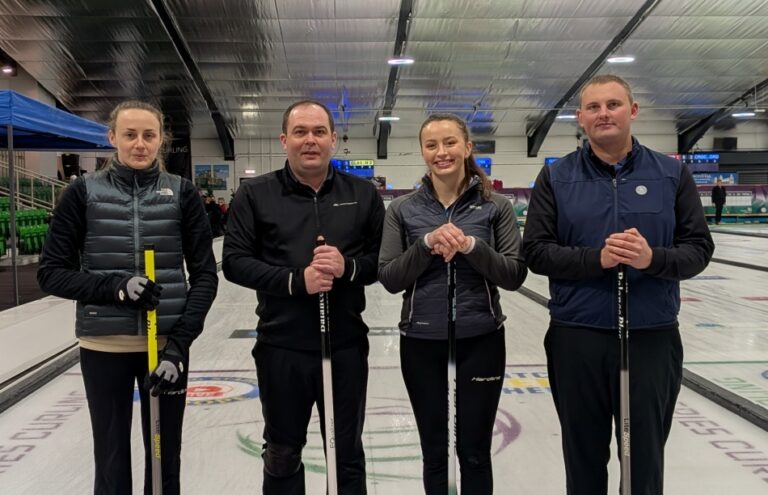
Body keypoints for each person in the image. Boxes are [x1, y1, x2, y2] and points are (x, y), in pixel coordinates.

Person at [523, 74, 714, 494]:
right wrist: (597, 259)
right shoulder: (556, 177)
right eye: (593, 107)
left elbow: (699, 249)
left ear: (633, 110)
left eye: (613, 104)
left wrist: (651, 259)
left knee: (643, 463)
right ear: (580, 117)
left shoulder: (671, 173)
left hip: (651, 337)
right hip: (578, 336)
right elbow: (535, 252)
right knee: (583, 461)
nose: (603, 114)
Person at [37, 100, 218, 495]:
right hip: (104, 347)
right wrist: (115, 287)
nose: (140, 144)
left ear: (161, 140)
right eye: (130, 134)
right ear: (112, 137)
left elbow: (205, 275)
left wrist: (179, 346)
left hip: (165, 348)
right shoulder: (82, 193)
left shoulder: (182, 193)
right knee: (112, 458)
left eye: (149, 135)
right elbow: (51, 273)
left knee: (164, 458)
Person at [222, 99, 385, 495]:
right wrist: (297, 281)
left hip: (345, 346)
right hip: (282, 348)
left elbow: (384, 262)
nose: (310, 140)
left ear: (333, 139)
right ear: (284, 140)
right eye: (300, 132)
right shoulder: (255, 194)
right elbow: (235, 263)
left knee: (346, 455)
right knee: (282, 453)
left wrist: (348, 267)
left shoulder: (362, 194)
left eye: (318, 132)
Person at [378, 113, 527, 495]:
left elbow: (513, 275)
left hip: (481, 338)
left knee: (474, 452)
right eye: (432, 145)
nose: (441, 152)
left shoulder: (496, 207)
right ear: (423, 152)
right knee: (435, 454)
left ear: (467, 147)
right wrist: (426, 245)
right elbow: (390, 278)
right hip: (422, 340)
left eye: (450, 142)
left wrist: (471, 246)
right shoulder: (402, 210)